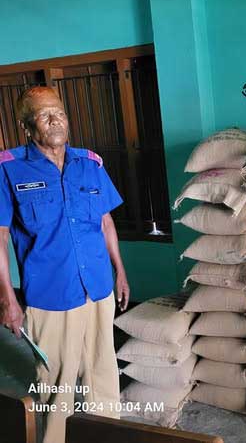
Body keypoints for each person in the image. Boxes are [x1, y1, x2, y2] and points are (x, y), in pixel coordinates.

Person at [0, 86, 130, 443]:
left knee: (103, 372)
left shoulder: (89, 164)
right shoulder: (9, 169)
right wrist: (7, 298)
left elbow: (105, 222)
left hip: (98, 287)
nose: (55, 120)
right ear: (27, 126)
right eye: (44, 115)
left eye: (59, 112)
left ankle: (107, 436)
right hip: (52, 295)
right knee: (56, 386)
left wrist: (119, 271)